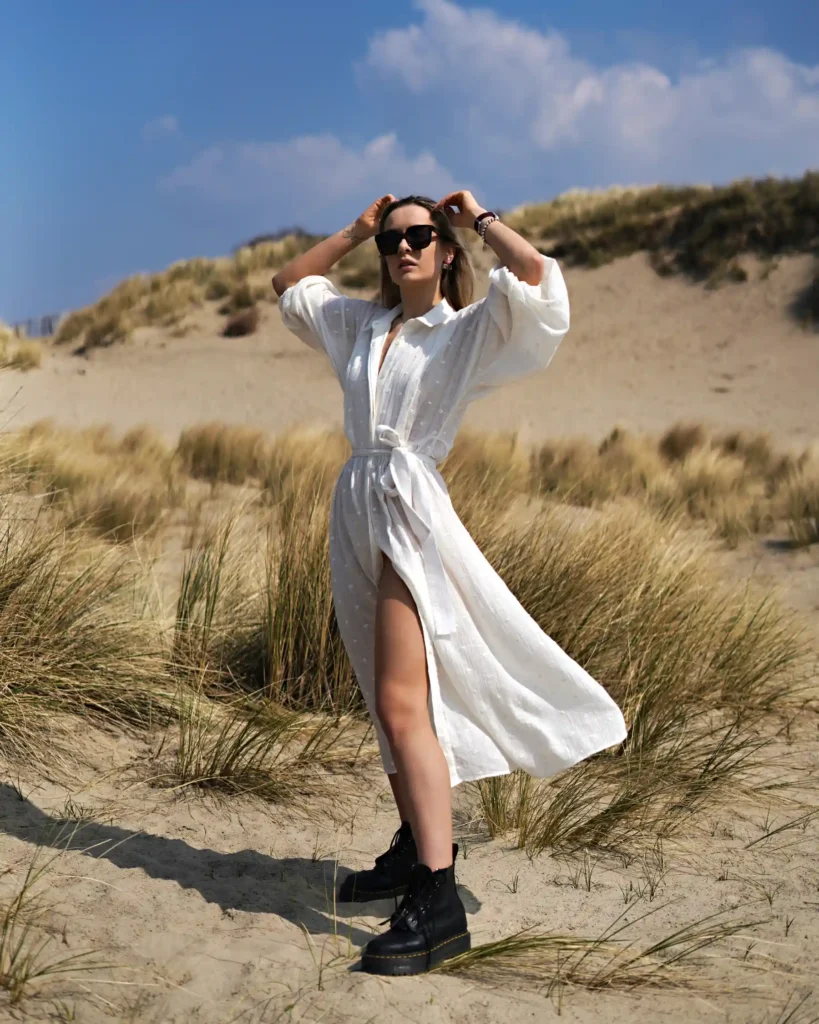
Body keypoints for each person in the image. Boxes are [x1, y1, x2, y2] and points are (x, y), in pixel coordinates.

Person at [272, 191, 627, 976]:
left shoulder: (465, 331)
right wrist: (354, 230)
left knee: (405, 703)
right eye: (394, 238)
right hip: (356, 504)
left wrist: (483, 219)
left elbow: (538, 278)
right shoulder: (359, 327)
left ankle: (436, 899)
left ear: (444, 251)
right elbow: (288, 284)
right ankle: (411, 851)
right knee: (379, 694)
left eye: (420, 236)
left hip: (408, 509)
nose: (404, 247)